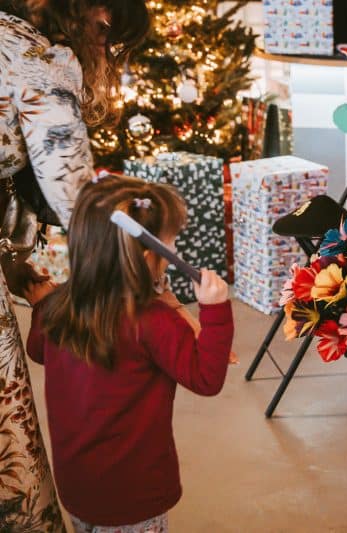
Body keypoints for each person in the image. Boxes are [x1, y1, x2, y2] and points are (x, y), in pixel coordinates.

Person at [0, 1, 149, 529]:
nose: (104, 51)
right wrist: (156, 285)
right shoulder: (37, 59)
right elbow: (80, 202)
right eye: (107, 33)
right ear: (91, 13)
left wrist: (11, 259)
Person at [24, 174, 234, 532]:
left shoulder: (58, 305)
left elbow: (38, 350)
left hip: (78, 486)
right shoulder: (152, 321)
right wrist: (215, 311)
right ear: (150, 255)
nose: (175, 254)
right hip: (134, 495)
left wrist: (40, 306)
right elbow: (205, 377)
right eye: (172, 243)